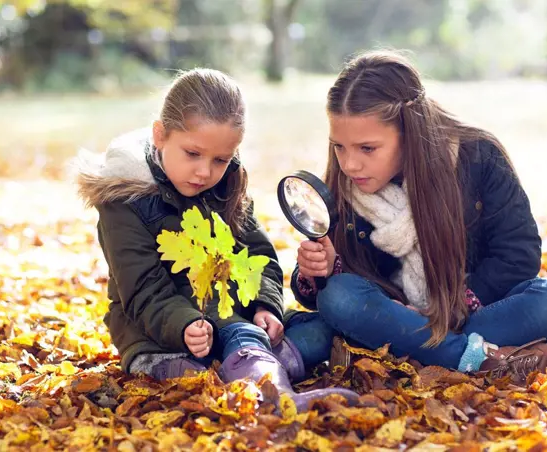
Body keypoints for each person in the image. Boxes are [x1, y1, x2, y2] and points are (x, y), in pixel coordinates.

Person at [75, 68, 357, 411]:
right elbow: (143, 289)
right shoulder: (125, 201)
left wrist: (265, 306)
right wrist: (184, 326)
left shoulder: (226, 186)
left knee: (323, 330)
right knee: (192, 373)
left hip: (233, 320)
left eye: (220, 159)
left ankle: (250, 368)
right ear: (160, 135)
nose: (204, 172)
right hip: (159, 337)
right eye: (192, 154)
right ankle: (273, 393)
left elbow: (258, 255)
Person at [292, 50, 547, 385]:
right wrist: (324, 269)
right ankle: (478, 359)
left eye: (367, 148)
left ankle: (418, 352)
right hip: (396, 315)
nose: (350, 164)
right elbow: (337, 291)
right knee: (338, 297)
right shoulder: (346, 185)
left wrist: (452, 310)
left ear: (409, 132)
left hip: (472, 310)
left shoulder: (477, 156)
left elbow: (519, 253)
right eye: (339, 147)